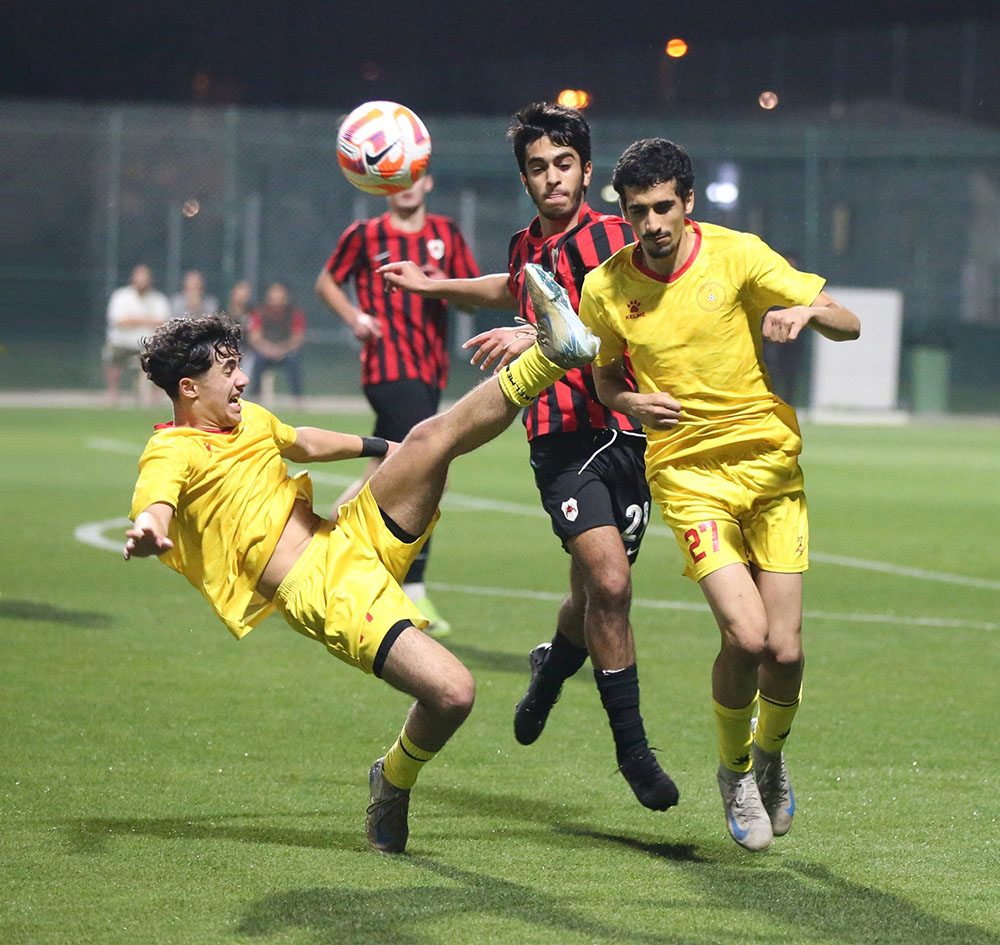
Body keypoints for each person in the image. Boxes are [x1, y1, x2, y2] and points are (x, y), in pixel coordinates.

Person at [122, 286, 598, 855]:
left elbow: (300, 442)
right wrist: (150, 528)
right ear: (189, 388)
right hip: (325, 591)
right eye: (229, 372)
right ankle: (393, 778)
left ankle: (551, 354)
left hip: (347, 535)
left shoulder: (246, 419)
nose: (243, 380)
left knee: (428, 443)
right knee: (454, 694)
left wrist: (383, 447)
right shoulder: (172, 450)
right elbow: (156, 500)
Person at [379, 103, 678, 813]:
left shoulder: (615, 236)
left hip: (629, 431)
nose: (553, 178)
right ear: (525, 178)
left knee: (588, 596)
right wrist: (434, 286)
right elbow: (509, 287)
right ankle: (634, 751)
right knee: (611, 584)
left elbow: (615, 310)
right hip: (562, 438)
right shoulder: (526, 247)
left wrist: (537, 329)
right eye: (539, 167)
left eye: (564, 164)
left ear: (586, 170)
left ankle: (548, 673)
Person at [578, 137, 861, 851]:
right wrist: (630, 404)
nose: (652, 223)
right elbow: (605, 378)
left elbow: (848, 321)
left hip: (770, 469)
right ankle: (734, 772)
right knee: (747, 636)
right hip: (689, 477)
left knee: (785, 653)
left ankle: (768, 756)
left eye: (663, 207)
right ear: (624, 211)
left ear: (688, 201)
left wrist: (807, 315)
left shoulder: (738, 254)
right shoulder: (605, 287)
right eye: (637, 211)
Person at [315, 174, 481, 637]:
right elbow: (326, 282)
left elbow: (471, 300)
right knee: (429, 470)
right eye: (397, 176)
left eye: (413, 175)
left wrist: (442, 285)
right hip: (388, 369)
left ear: (428, 181)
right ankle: (412, 586)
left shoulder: (447, 234)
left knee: (383, 473)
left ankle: (317, 554)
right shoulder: (365, 234)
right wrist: (355, 317)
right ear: (383, 183)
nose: (406, 185)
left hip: (429, 372)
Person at [103, 264, 170, 406]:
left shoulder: (158, 299)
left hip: (148, 345)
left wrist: (134, 320)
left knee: (161, 357)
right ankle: (112, 395)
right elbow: (119, 322)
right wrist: (146, 321)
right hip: (123, 343)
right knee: (113, 355)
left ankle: (155, 398)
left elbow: (162, 323)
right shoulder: (121, 296)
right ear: (133, 278)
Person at [246, 282, 306, 407]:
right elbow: (255, 338)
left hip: (285, 351)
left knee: (293, 359)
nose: (277, 303)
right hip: (264, 351)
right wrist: (269, 349)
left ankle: (297, 398)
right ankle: (255, 395)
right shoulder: (259, 313)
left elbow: (297, 338)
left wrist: (282, 349)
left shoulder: (294, 314)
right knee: (258, 359)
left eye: (280, 299)